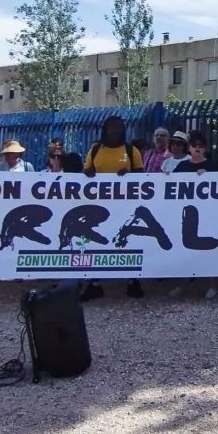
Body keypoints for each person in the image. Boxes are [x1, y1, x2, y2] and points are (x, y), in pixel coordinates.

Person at [82, 116, 144, 301]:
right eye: (111, 127)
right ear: (105, 129)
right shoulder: (95, 150)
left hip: (125, 205)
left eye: (118, 127)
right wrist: (88, 174)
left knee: (128, 240)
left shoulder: (131, 151)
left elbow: (141, 176)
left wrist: (129, 175)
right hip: (99, 205)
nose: (114, 131)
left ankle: (133, 280)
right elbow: (85, 172)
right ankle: (95, 283)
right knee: (97, 241)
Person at [173, 130, 218, 299]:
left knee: (209, 251)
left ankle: (213, 286)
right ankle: (181, 284)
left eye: (201, 145)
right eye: (194, 145)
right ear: (189, 148)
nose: (197, 148)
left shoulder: (213, 166)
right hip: (187, 215)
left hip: (208, 214)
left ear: (205, 148)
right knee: (184, 251)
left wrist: (207, 177)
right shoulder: (182, 166)